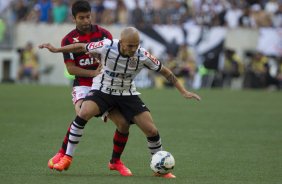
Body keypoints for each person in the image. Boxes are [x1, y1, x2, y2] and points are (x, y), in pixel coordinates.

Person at [39, 27, 201, 178]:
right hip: (103, 90)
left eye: (136, 45)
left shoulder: (142, 55)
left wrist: (183, 91)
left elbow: (166, 72)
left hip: (127, 94)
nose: (133, 49)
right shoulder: (107, 46)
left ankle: (159, 168)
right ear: (121, 42)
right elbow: (81, 47)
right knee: (84, 113)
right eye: (130, 45)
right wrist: (57, 49)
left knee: (151, 130)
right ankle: (67, 156)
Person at [46, 0, 132, 177]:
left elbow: (112, 58)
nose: (86, 21)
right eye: (81, 18)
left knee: (123, 123)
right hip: (83, 85)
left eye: (88, 16)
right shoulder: (68, 40)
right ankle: (64, 153)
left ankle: (115, 162)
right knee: (82, 113)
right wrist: (92, 73)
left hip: (105, 85)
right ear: (74, 18)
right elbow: (70, 69)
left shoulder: (104, 34)